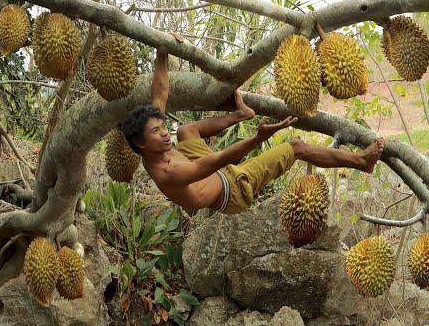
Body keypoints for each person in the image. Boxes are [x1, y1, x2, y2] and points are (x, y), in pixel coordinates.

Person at [121, 44, 385, 215]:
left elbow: (160, 91)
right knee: (296, 147)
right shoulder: (168, 172)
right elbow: (218, 160)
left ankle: (241, 113)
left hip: (210, 168)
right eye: (156, 132)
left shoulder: (155, 136)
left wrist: (161, 50)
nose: (164, 133)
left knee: (186, 130)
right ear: (141, 144)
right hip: (232, 188)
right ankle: (361, 162)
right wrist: (259, 138)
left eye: (161, 126)